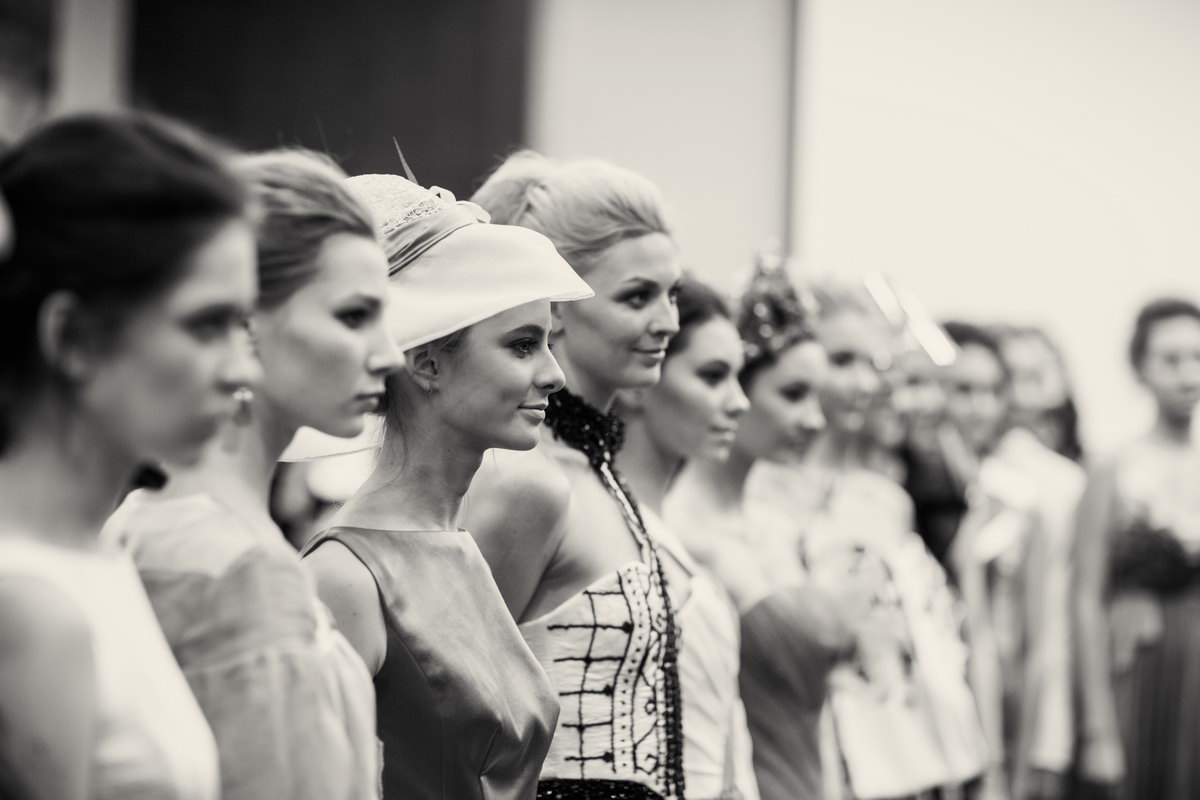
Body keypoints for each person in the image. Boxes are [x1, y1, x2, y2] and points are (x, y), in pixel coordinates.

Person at [103, 150, 397, 800]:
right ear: (244, 322)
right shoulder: (240, 569)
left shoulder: (154, 522)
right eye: (354, 316)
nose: (390, 354)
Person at [302, 172, 593, 799]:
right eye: (523, 346)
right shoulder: (344, 577)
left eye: (547, 343)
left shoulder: (458, 545)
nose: (555, 375)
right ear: (427, 362)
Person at [0, 112, 258, 799]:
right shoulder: (28, 606)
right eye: (206, 325)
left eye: (243, 325)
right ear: (74, 338)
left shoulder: (94, 550)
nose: (244, 369)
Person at [463, 151, 686, 799]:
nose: (669, 322)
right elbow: (449, 717)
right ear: (556, 305)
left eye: (673, 294)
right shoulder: (525, 482)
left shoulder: (595, 470)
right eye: (638, 296)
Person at [748, 284, 989, 800]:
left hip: (888, 753)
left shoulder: (886, 500)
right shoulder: (755, 495)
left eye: (874, 364)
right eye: (842, 361)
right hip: (788, 746)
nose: (862, 382)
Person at [664, 259, 853, 800]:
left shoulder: (782, 521)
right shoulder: (680, 530)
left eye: (818, 398)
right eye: (793, 395)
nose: (815, 420)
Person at [616, 277, 760, 800]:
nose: (739, 402)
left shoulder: (670, 528)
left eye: (738, 377)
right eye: (712, 376)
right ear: (643, 376)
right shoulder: (609, 533)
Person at [1073, 298, 1200, 800]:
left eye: (1197, 357)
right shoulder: (1113, 467)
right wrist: (1098, 728)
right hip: (1140, 663)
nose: (1188, 374)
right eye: (1171, 359)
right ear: (1141, 367)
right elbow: (1086, 598)